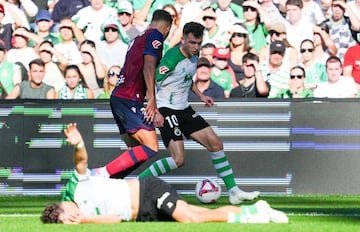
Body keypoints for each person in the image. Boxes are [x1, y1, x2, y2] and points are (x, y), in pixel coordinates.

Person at [40, 123, 288, 224]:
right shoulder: (84, 216)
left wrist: (79, 144)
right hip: (143, 215)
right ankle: (258, 211)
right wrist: (86, 219)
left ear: (63, 207)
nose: (75, 219)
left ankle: (256, 217)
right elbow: (116, 221)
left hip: (148, 190)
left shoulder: (75, 186)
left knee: (191, 219)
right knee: (202, 213)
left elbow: (81, 161)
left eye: (70, 218)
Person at [139, 22, 260, 205]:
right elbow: (152, 81)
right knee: (178, 159)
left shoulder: (195, 57)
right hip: (166, 109)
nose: (196, 47)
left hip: (184, 108)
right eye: (192, 43)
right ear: (183, 39)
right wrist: (153, 109)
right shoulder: (172, 58)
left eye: (199, 43)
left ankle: (234, 192)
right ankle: (136, 184)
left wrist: (201, 95)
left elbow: (186, 79)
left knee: (216, 143)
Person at [91, 10, 172, 179]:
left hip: (119, 96)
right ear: (167, 28)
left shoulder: (137, 38)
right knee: (151, 147)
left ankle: (112, 183)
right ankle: (99, 174)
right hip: (130, 98)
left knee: (136, 152)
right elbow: (148, 66)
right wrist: (151, 100)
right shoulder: (156, 36)